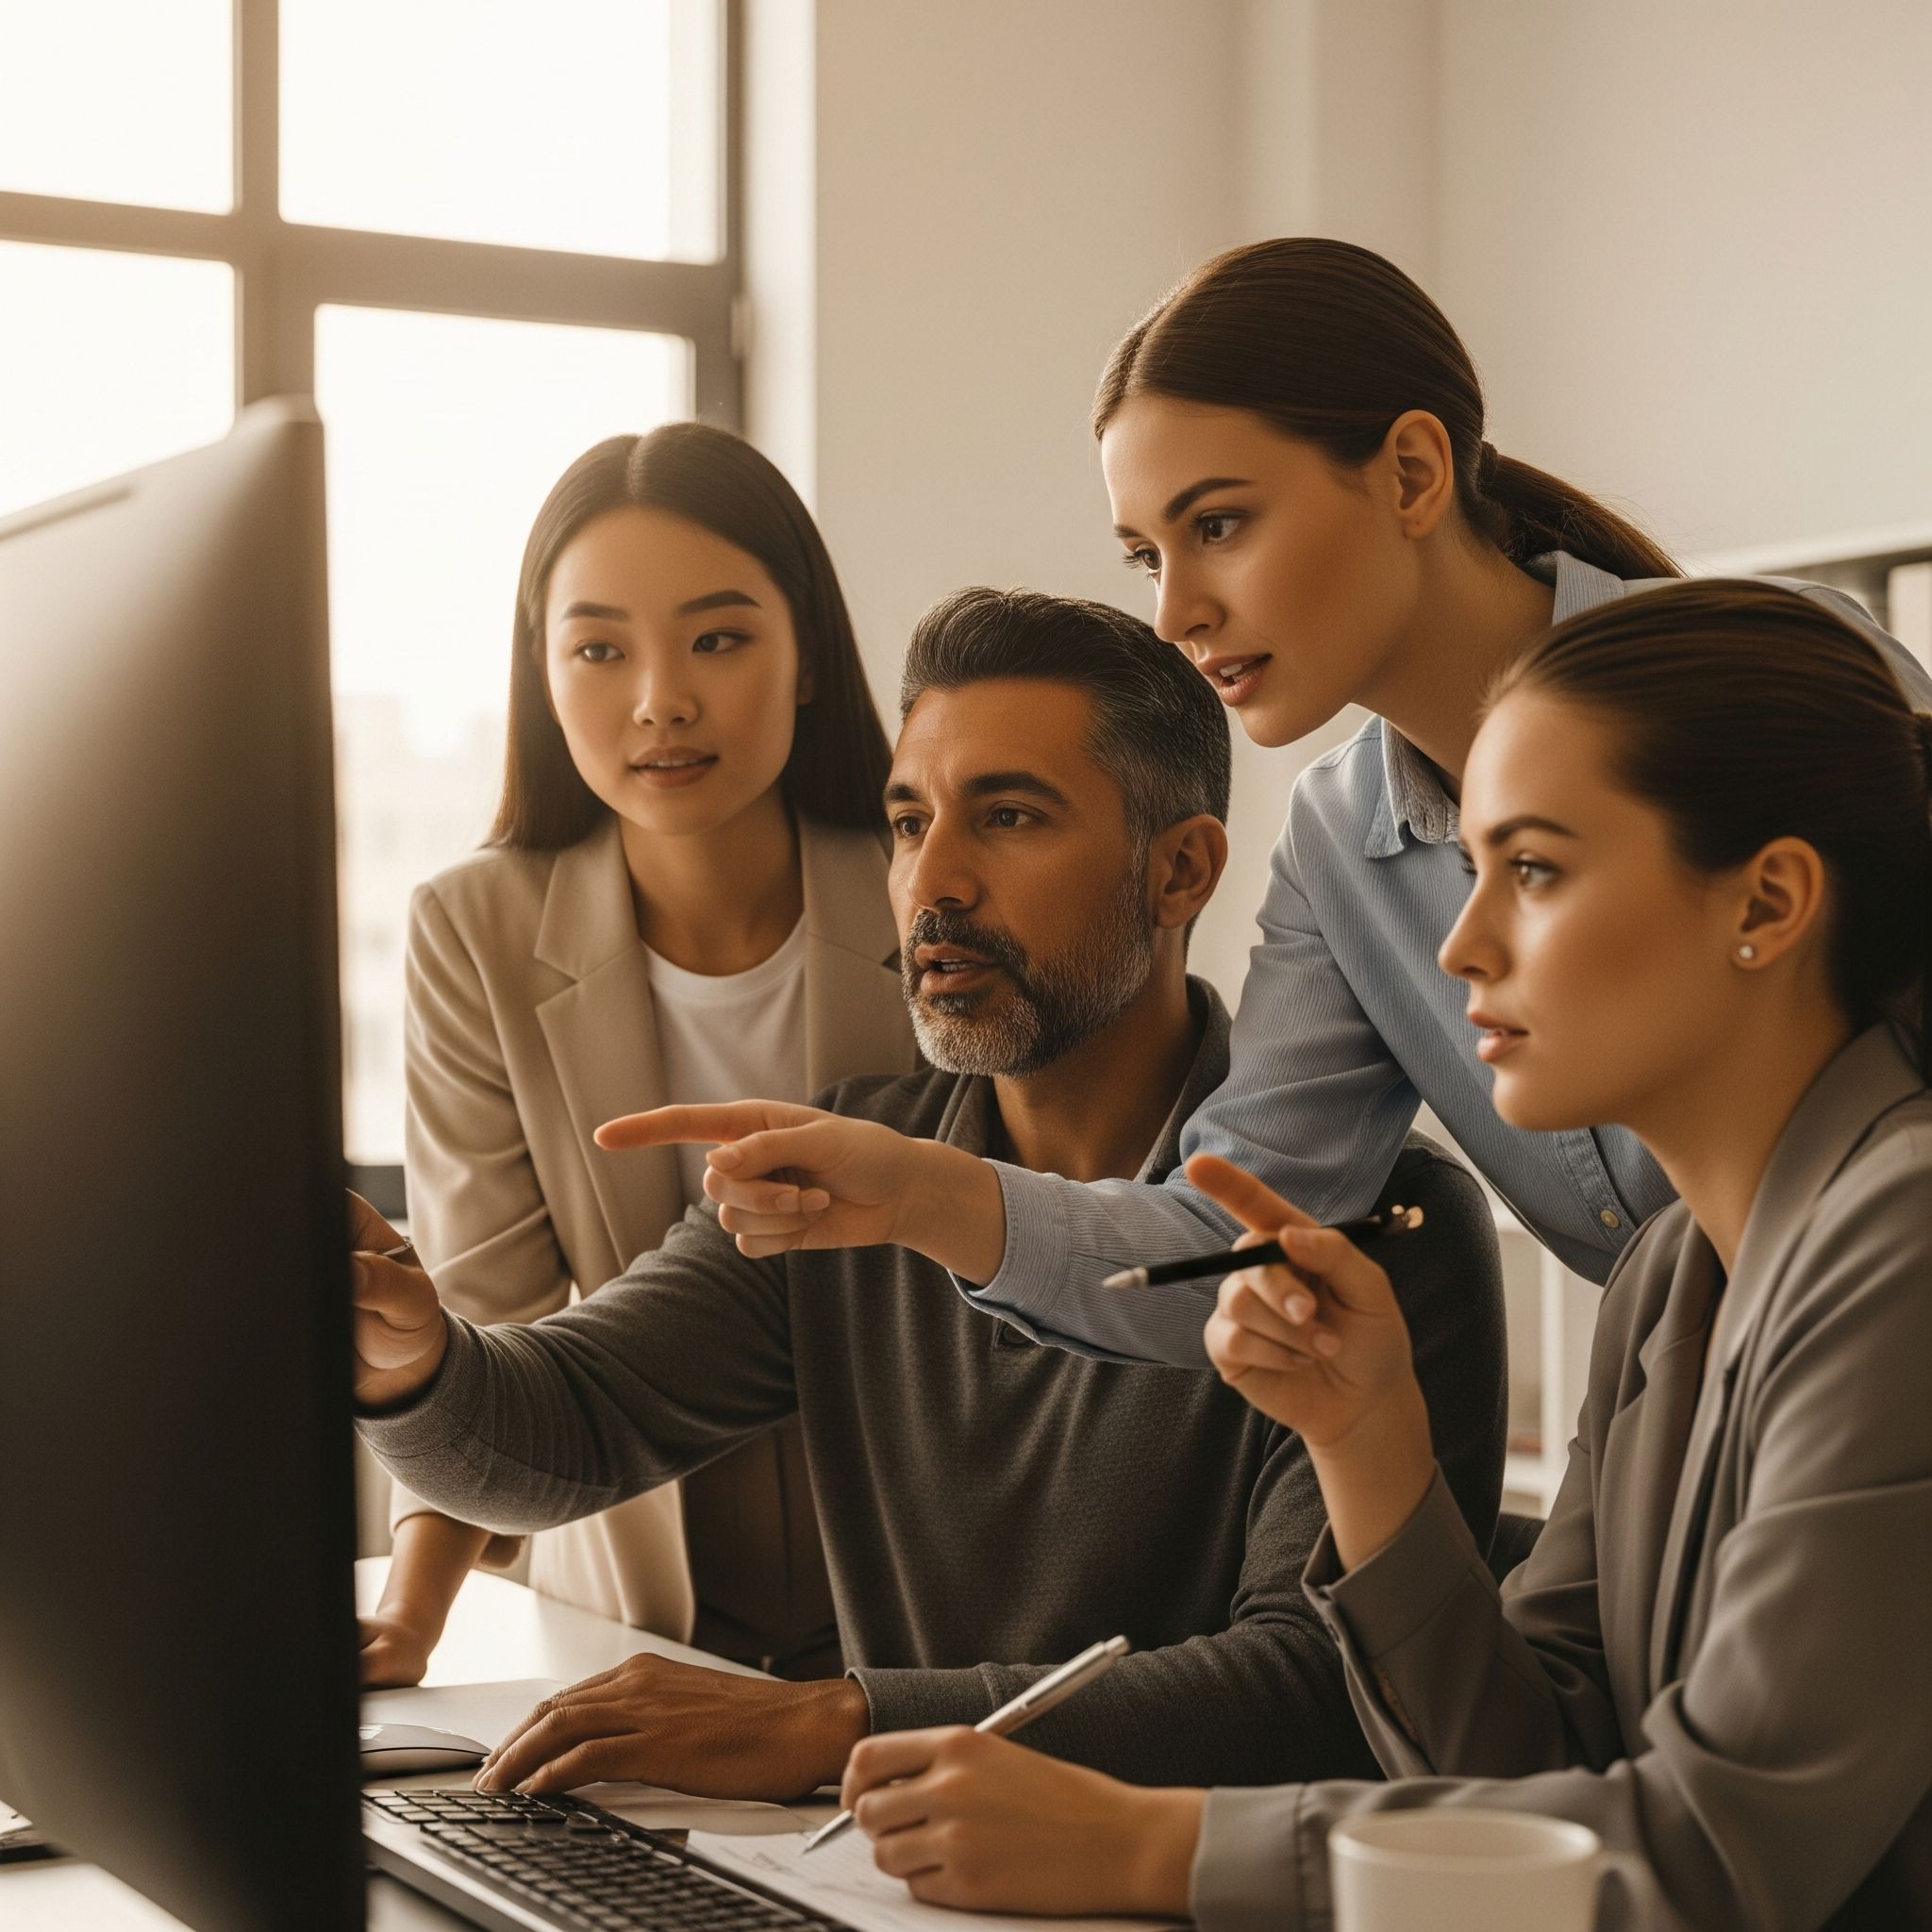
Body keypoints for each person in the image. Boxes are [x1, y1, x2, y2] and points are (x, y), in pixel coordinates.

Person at [832, 581, 1932, 1932]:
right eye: (1473, 870)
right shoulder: (1668, 1276)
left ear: (1766, 901)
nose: (1461, 945)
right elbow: (1538, 1767)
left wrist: (1143, 1847)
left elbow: (1714, 1853)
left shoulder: (1905, 1242)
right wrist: (1370, 1450)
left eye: (1532, 870)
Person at [627, 240, 1932, 1371]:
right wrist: (919, 1190)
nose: (1176, 611)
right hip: (1715, 1412)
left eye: (1221, 525)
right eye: (1146, 556)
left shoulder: (1782, 668)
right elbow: (1236, 1231)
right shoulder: (1337, 840)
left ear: (1414, 472)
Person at [350, 588, 1507, 1800]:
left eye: (1006, 816)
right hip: (885, 1876)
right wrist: (407, 1357)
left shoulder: (1384, 1226)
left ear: (1180, 871)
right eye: (909, 822)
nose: (930, 883)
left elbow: (1316, 1693)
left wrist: (838, 1723)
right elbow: (557, 1430)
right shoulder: (856, 1163)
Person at [358, 424, 916, 1689]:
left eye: (718, 638)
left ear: (810, 654)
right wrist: (414, 1615)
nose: (660, 699)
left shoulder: (926, 899)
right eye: (599, 649)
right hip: (627, 1613)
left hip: (920, 1605)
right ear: (543, 674)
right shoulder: (477, 931)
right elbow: (488, 1326)